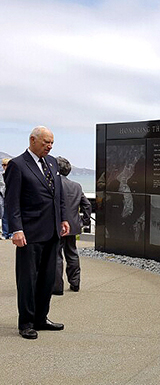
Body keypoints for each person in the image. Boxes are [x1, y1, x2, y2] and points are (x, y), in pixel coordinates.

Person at [5, 126, 70, 339]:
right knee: (27, 280)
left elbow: (57, 193)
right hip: (29, 234)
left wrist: (63, 218)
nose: (49, 147)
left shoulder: (52, 163)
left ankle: (41, 318)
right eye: (46, 142)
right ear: (33, 140)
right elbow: (12, 201)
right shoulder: (17, 165)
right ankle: (26, 322)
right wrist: (16, 229)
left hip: (52, 232)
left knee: (47, 279)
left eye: (52, 143)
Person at [53, 156, 91, 295]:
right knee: (72, 254)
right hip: (73, 226)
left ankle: (57, 286)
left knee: (56, 256)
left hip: (56, 226)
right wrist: (83, 221)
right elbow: (87, 205)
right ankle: (75, 283)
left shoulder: (53, 184)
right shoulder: (76, 186)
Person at [0, 158, 7, 239]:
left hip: (11, 196)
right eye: (3, 165)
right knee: (4, 215)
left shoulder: (14, 173)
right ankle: (5, 233)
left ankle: (12, 233)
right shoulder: (1, 174)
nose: (5, 167)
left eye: (6, 165)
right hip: (3, 196)